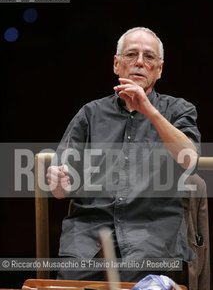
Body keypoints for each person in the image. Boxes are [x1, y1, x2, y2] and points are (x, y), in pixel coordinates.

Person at [46, 27, 201, 285]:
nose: (140, 62)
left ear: (159, 69)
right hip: (88, 235)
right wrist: (58, 181)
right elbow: (60, 189)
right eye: (131, 54)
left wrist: (149, 110)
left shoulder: (179, 111)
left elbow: (190, 161)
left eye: (149, 57)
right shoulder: (89, 114)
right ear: (117, 65)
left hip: (152, 234)